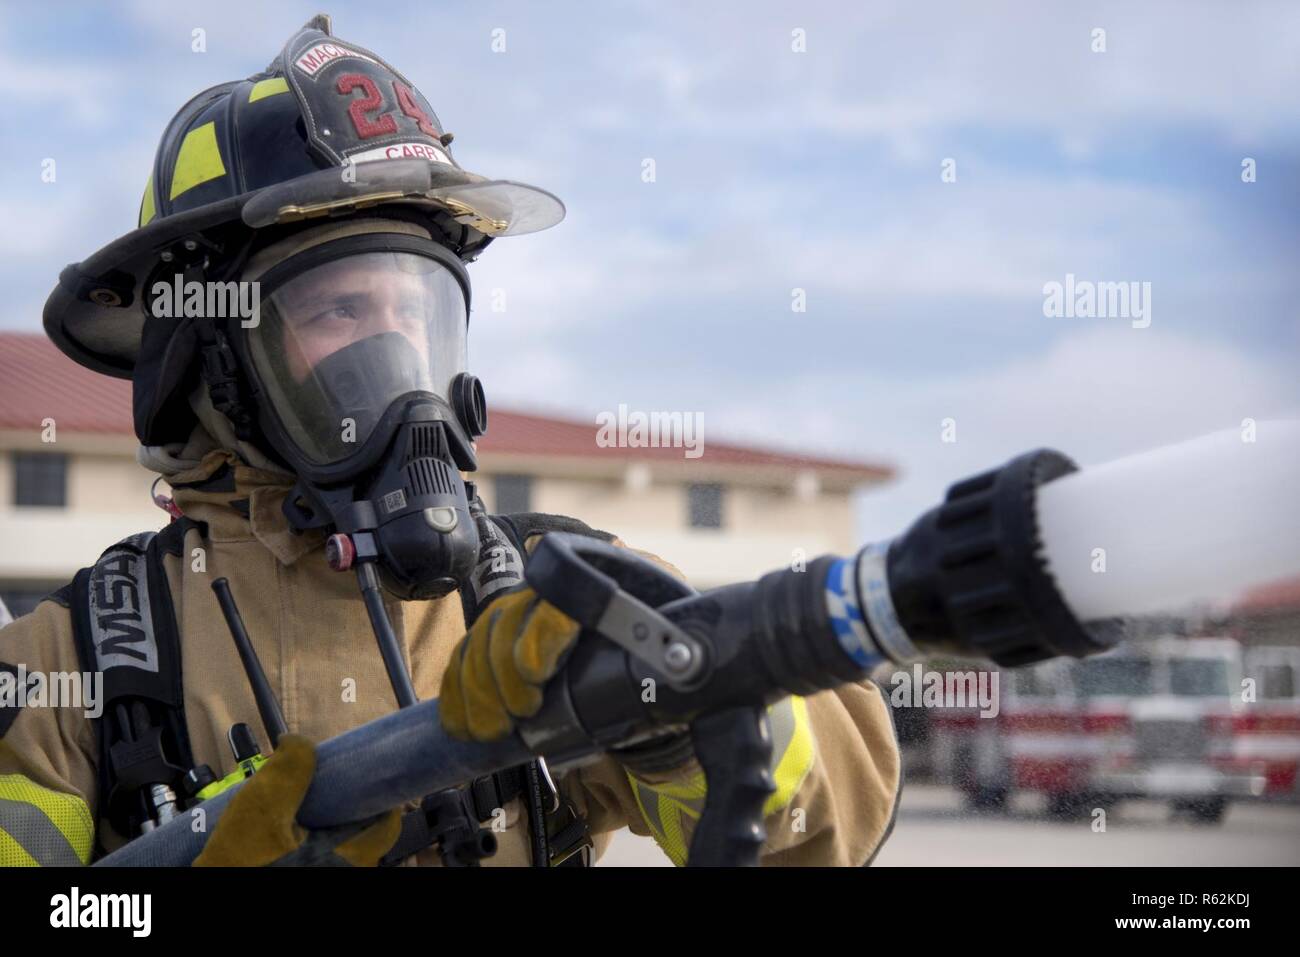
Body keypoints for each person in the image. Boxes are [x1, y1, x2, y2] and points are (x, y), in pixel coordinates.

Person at [0, 15, 900, 867]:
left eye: (417, 310)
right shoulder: (72, 663)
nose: (395, 359)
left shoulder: (560, 594)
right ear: (209, 359)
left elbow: (826, 829)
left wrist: (678, 704)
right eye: (340, 309)